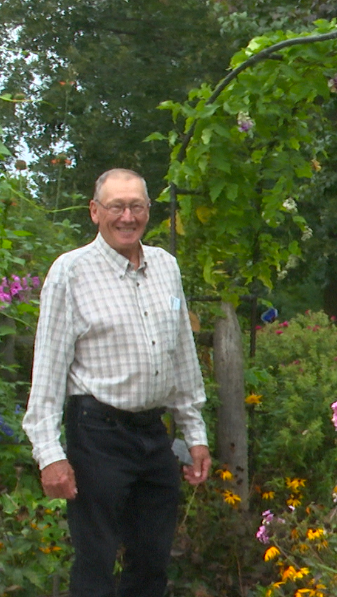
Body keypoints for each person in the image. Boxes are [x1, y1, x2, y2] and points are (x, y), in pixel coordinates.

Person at [22, 168, 211, 597]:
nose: (127, 216)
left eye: (137, 206)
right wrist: (49, 454)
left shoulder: (166, 267)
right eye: (116, 207)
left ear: (148, 211)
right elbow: (48, 369)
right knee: (96, 559)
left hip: (152, 434)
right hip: (97, 433)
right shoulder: (71, 273)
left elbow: (182, 354)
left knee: (152, 559)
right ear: (95, 211)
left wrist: (194, 431)